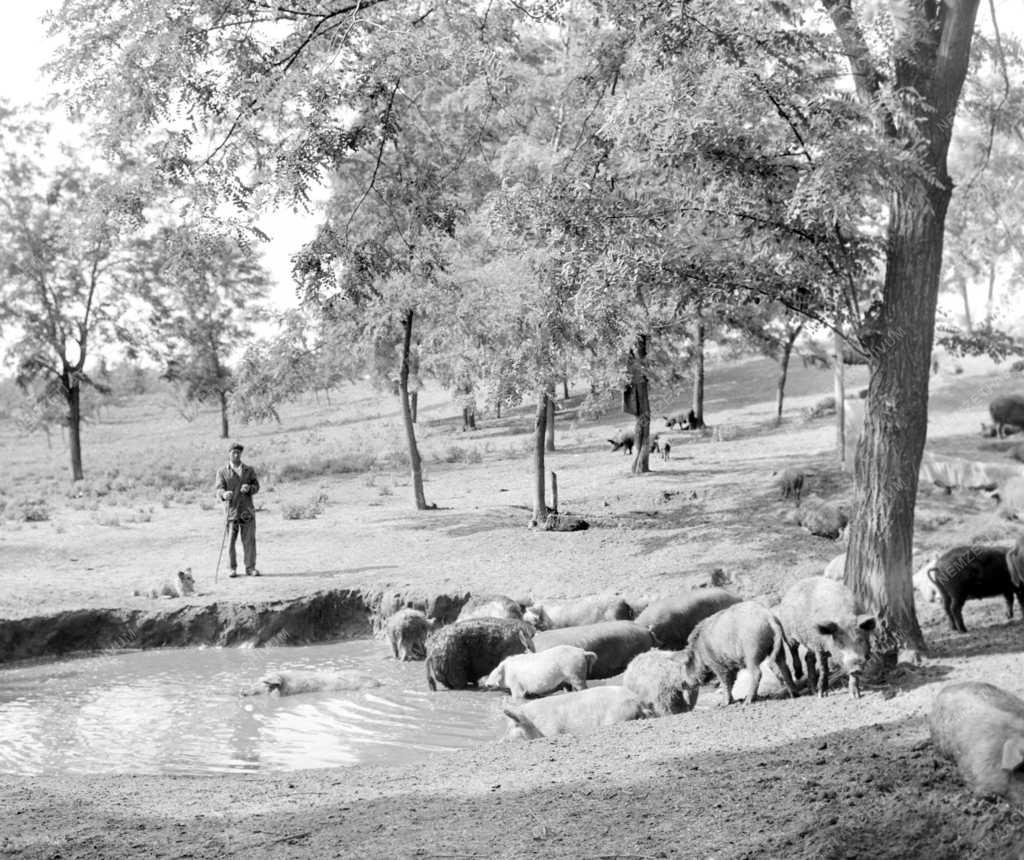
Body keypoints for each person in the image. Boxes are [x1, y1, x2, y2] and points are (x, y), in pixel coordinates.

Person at [215, 441, 260, 577]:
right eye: (233, 452)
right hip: (231, 511)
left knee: (249, 541)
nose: (236, 455)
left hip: (247, 511)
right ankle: (231, 568)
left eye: (238, 453)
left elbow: (256, 486)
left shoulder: (249, 470)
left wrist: (249, 488)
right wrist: (224, 494)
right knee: (230, 542)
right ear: (229, 454)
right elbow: (219, 489)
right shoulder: (222, 471)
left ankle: (250, 568)